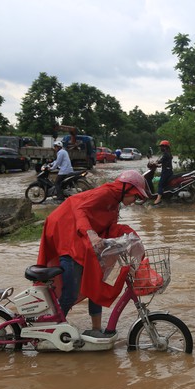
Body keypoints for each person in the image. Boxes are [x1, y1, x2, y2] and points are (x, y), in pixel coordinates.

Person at [37, 170, 149, 337]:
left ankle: (96, 329)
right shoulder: (106, 193)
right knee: (70, 291)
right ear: (127, 189)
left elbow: (109, 228)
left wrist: (130, 237)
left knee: (95, 284)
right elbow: (80, 210)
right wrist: (90, 233)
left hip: (81, 237)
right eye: (135, 196)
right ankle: (52, 331)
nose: (135, 201)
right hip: (68, 231)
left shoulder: (114, 203)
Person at [152, 140, 173, 205]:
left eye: (161, 146)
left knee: (160, 185)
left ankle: (158, 200)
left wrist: (155, 163)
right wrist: (159, 165)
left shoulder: (166, 154)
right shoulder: (168, 153)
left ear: (165, 147)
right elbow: (165, 162)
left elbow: (162, 160)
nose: (160, 148)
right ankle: (167, 196)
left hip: (166, 172)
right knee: (166, 184)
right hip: (169, 171)